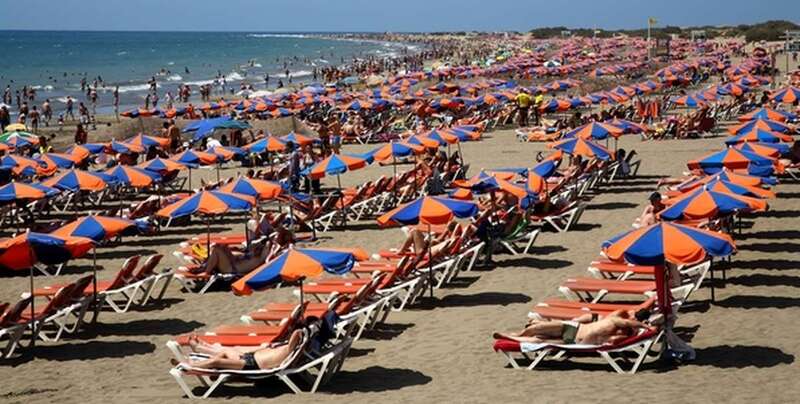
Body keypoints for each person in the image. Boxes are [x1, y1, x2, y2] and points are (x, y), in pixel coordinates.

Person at [493, 309, 651, 345]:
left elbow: (610, 342)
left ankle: (509, 337)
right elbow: (627, 318)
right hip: (572, 328)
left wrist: (643, 326)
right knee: (536, 330)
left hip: (575, 340)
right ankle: (518, 333)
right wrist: (645, 326)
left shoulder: (617, 326)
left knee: (539, 341)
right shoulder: (615, 320)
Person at [180, 329, 303, 371]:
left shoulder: (289, 349)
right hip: (249, 358)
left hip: (251, 364)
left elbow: (293, 340)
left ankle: (191, 365)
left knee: (216, 361)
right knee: (228, 350)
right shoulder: (290, 348)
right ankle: (200, 348)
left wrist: (299, 331)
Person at [192, 239, 271, 276]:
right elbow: (241, 257)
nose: (256, 248)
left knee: (217, 250)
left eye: (259, 247)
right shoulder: (254, 255)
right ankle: (205, 267)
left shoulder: (258, 259)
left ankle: (206, 271)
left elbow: (268, 247)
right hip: (233, 264)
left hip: (231, 269)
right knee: (222, 246)